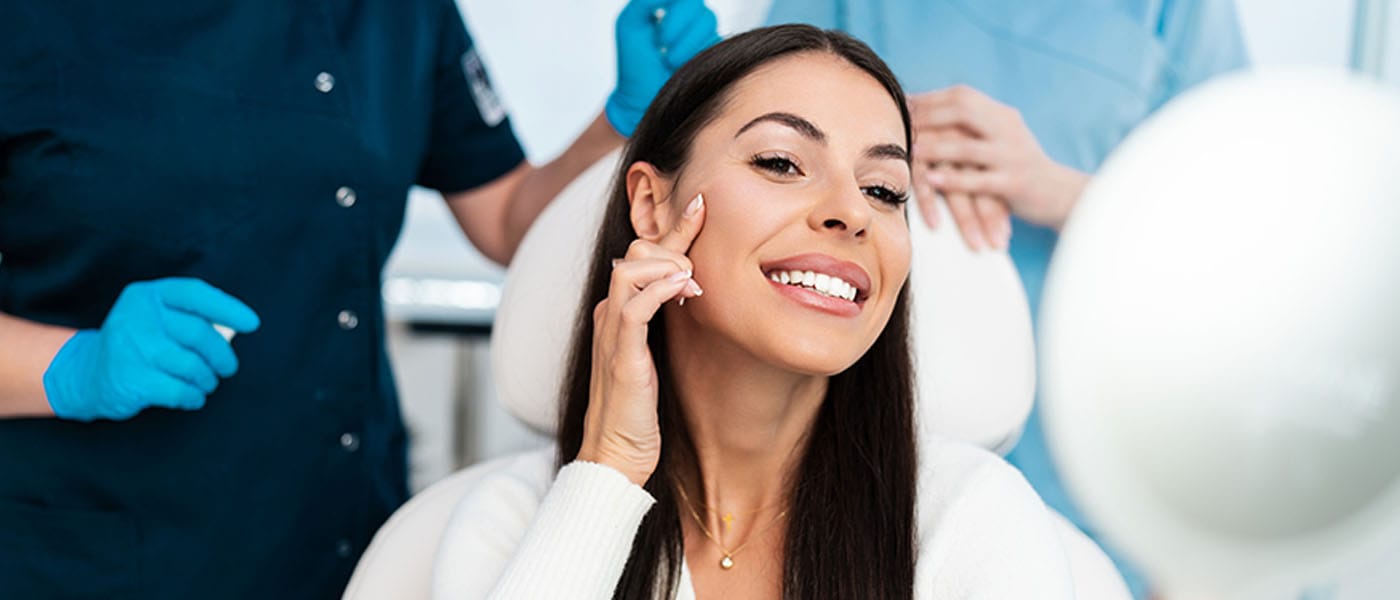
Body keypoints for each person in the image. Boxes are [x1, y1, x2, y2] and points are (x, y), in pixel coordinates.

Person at [0, 0, 717, 597]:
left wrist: (626, 120)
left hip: (337, 523)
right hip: (89, 543)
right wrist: (72, 367)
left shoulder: (393, 13)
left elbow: (507, 216)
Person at [430, 24, 1074, 599]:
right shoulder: (509, 522)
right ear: (652, 205)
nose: (852, 213)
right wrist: (609, 469)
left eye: (883, 191)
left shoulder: (973, 520)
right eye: (780, 162)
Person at [762, 1, 1250, 596]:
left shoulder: (1174, 13)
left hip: (1083, 460)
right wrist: (874, 147)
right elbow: (766, 140)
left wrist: (1062, 191)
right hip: (854, 446)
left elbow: (1243, 244)